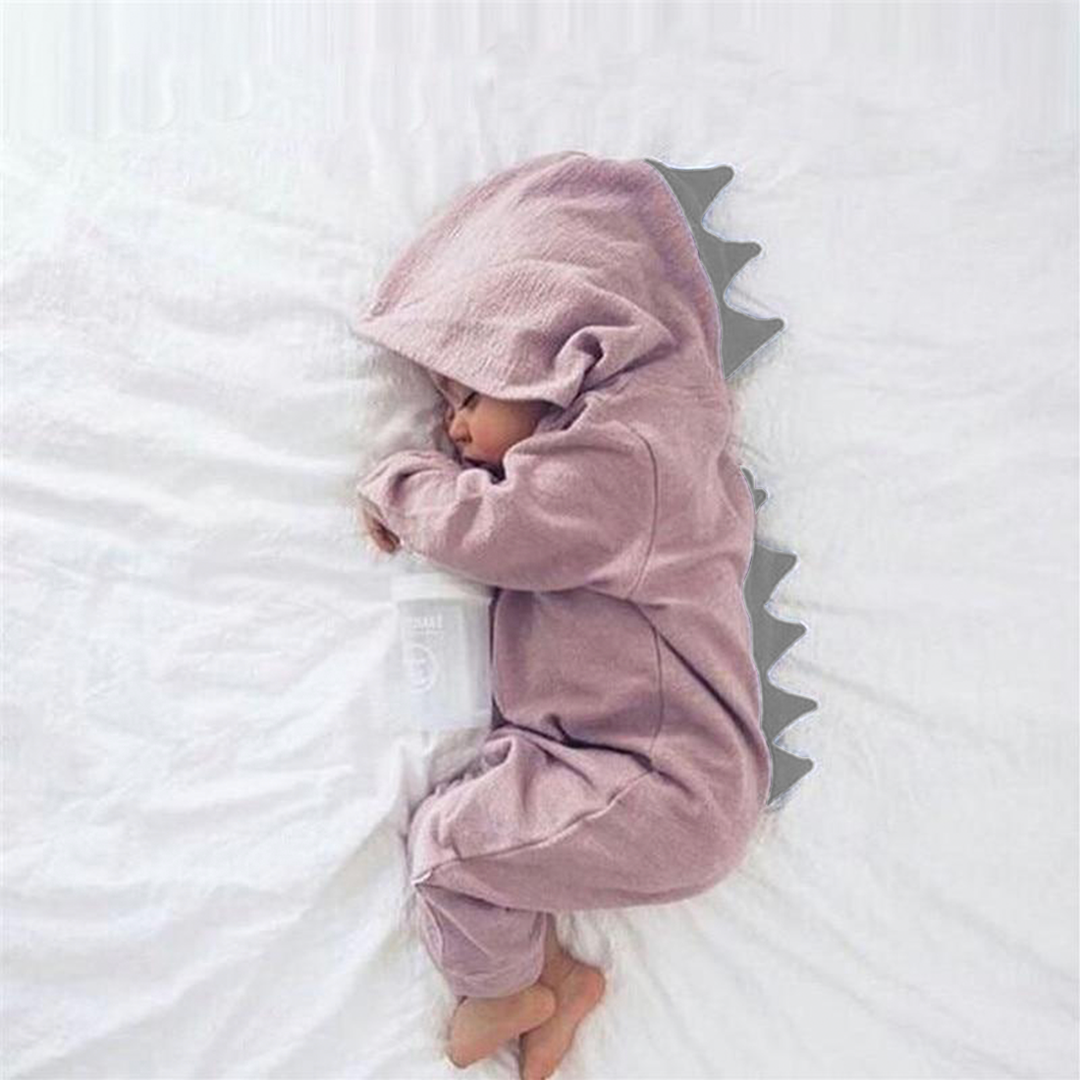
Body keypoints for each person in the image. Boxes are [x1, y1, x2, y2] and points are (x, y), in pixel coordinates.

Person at [355, 151, 771, 1079]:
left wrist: (402, 483)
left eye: (469, 396)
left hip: (668, 782)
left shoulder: (636, 452)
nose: (452, 429)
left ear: (550, 359)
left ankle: (499, 992)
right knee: (485, 833)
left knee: (450, 851)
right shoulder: (619, 448)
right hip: (600, 759)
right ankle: (554, 983)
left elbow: (503, 531)